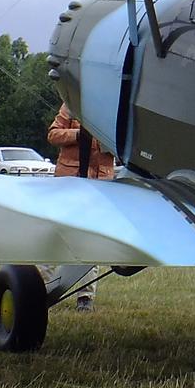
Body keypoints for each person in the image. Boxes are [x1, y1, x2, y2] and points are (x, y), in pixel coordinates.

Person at [46, 103, 115, 310]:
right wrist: (78, 135)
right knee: (55, 234)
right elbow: (53, 135)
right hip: (68, 182)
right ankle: (41, 288)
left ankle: (85, 297)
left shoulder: (115, 109)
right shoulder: (72, 104)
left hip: (100, 184)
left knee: (91, 238)